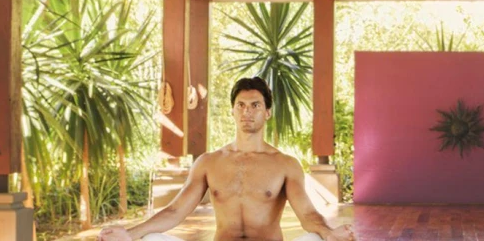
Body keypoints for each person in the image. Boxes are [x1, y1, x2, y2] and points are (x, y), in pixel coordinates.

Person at [100, 77, 355, 241]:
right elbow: (176, 210)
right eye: (241, 105)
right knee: (151, 239)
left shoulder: (284, 164)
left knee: (316, 239)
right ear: (233, 111)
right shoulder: (209, 162)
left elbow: (308, 213)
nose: (247, 112)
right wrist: (129, 234)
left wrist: (329, 233)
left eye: (255, 105)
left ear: (267, 113)